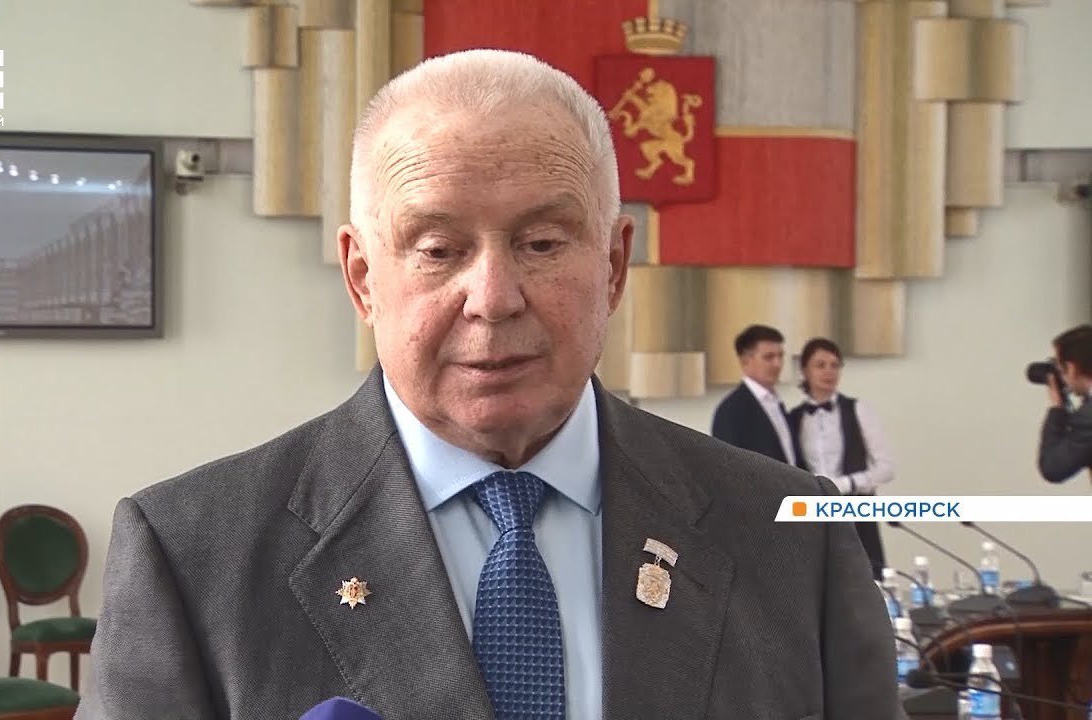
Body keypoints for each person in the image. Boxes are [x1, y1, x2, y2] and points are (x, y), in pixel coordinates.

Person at [77, 49, 897, 720]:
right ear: (362, 279)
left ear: (614, 266)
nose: (494, 298)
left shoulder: (794, 538)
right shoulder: (192, 556)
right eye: (438, 249)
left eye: (543, 243)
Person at [787, 337, 895, 579]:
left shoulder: (858, 409)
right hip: (813, 517)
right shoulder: (794, 418)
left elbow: (886, 468)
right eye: (820, 365)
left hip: (857, 514)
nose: (829, 371)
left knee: (867, 582)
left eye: (835, 365)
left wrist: (848, 483)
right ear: (805, 371)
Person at [710, 324, 804, 467]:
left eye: (780, 356)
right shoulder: (730, 411)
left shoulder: (777, 403)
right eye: (769, 357)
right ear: (745, 361)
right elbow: (727, 468)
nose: (778, 364)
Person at [1038, 324, 1092, 483]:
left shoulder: (1087, 418)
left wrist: (1057, 408)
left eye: (1061, 369)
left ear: (1071, 368)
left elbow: (1053, 467)